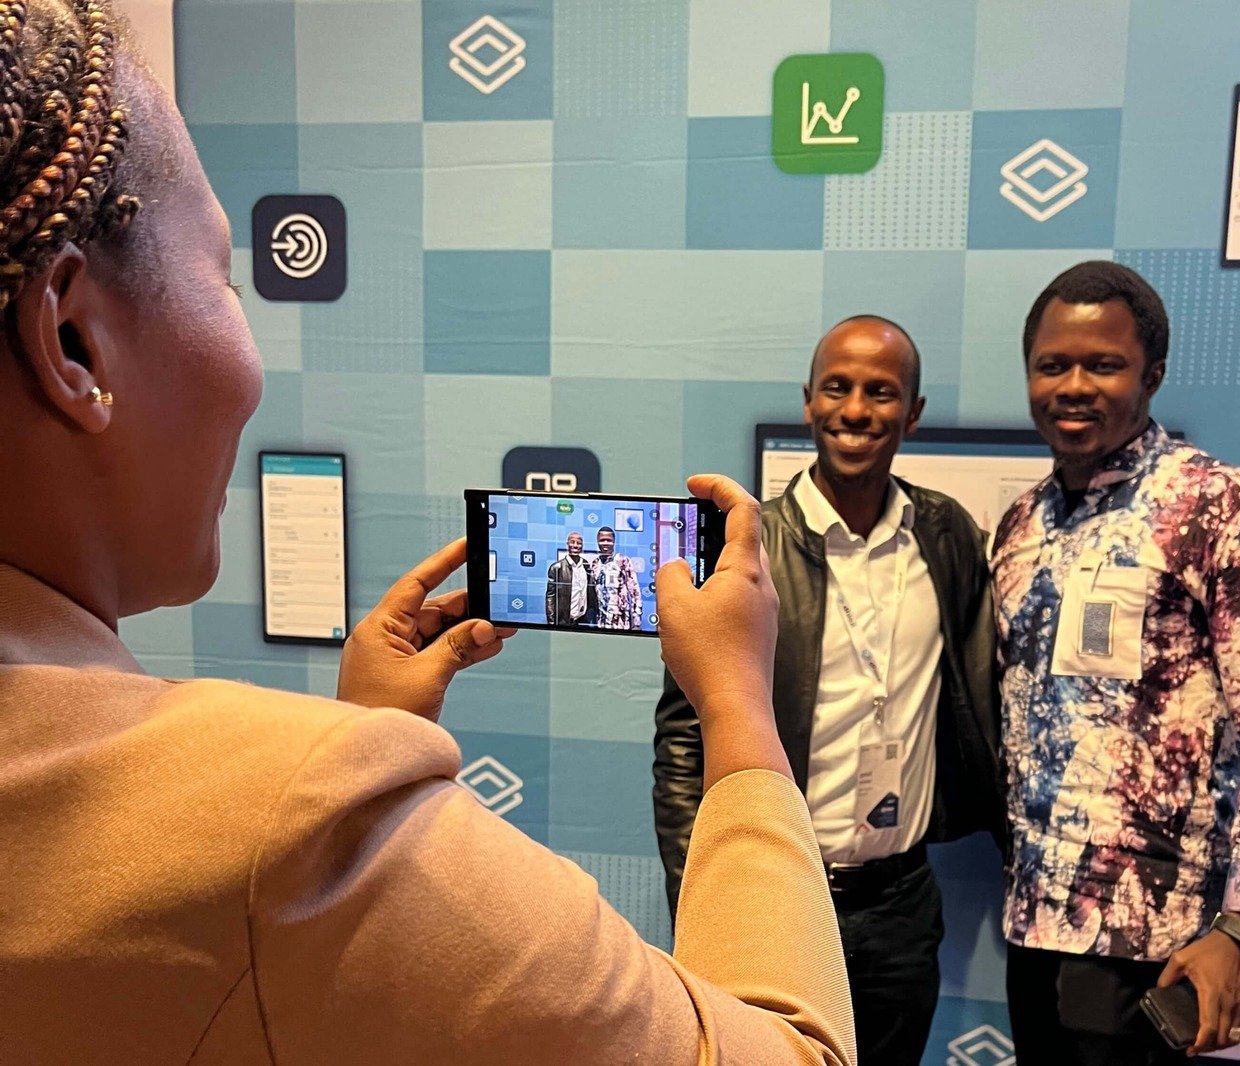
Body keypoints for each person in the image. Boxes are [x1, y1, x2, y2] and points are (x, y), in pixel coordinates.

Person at [0, 4, 853, 1063]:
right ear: (72, 338)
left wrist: (359, 731)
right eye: (226, 275)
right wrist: (736, 700)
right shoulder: (300, 831)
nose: (253, 355)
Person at [990, 261, 1240, 1064]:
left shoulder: (1220, 506)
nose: (1074, 385)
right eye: (1053, 364)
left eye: (1102, 364)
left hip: (1168, 945)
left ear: (1152, 376)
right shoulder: (1018, 527)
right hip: (1035, 929)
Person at [654, 315, 1004, 1065]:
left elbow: (978, 695)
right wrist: (711, 884)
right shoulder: (745, 552)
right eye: (837, 388)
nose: (855, 410)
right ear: (808, 401)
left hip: (901, 903)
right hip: (779, 897)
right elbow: (685, 736)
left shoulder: (945, 536)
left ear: (911, 413)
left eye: (880, 392)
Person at [593, 524, 643, 630]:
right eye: (602, 540)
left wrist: (637, 620)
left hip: (621, 623)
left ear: (614, 541)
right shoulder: (595, 564)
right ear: (597, 542)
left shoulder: (622, 561)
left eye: (608, 540)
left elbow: (635, 592)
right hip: (601, 622)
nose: (605, 543)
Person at [546, 529, 596, 626]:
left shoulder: (586, 566)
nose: (576, 545)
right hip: (564, 622)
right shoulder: (556, 568)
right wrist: (552, 623)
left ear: (582, 546)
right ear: (567, 544)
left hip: (582, 621)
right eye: (572, 542)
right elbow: (550, 598)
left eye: (579, 543)